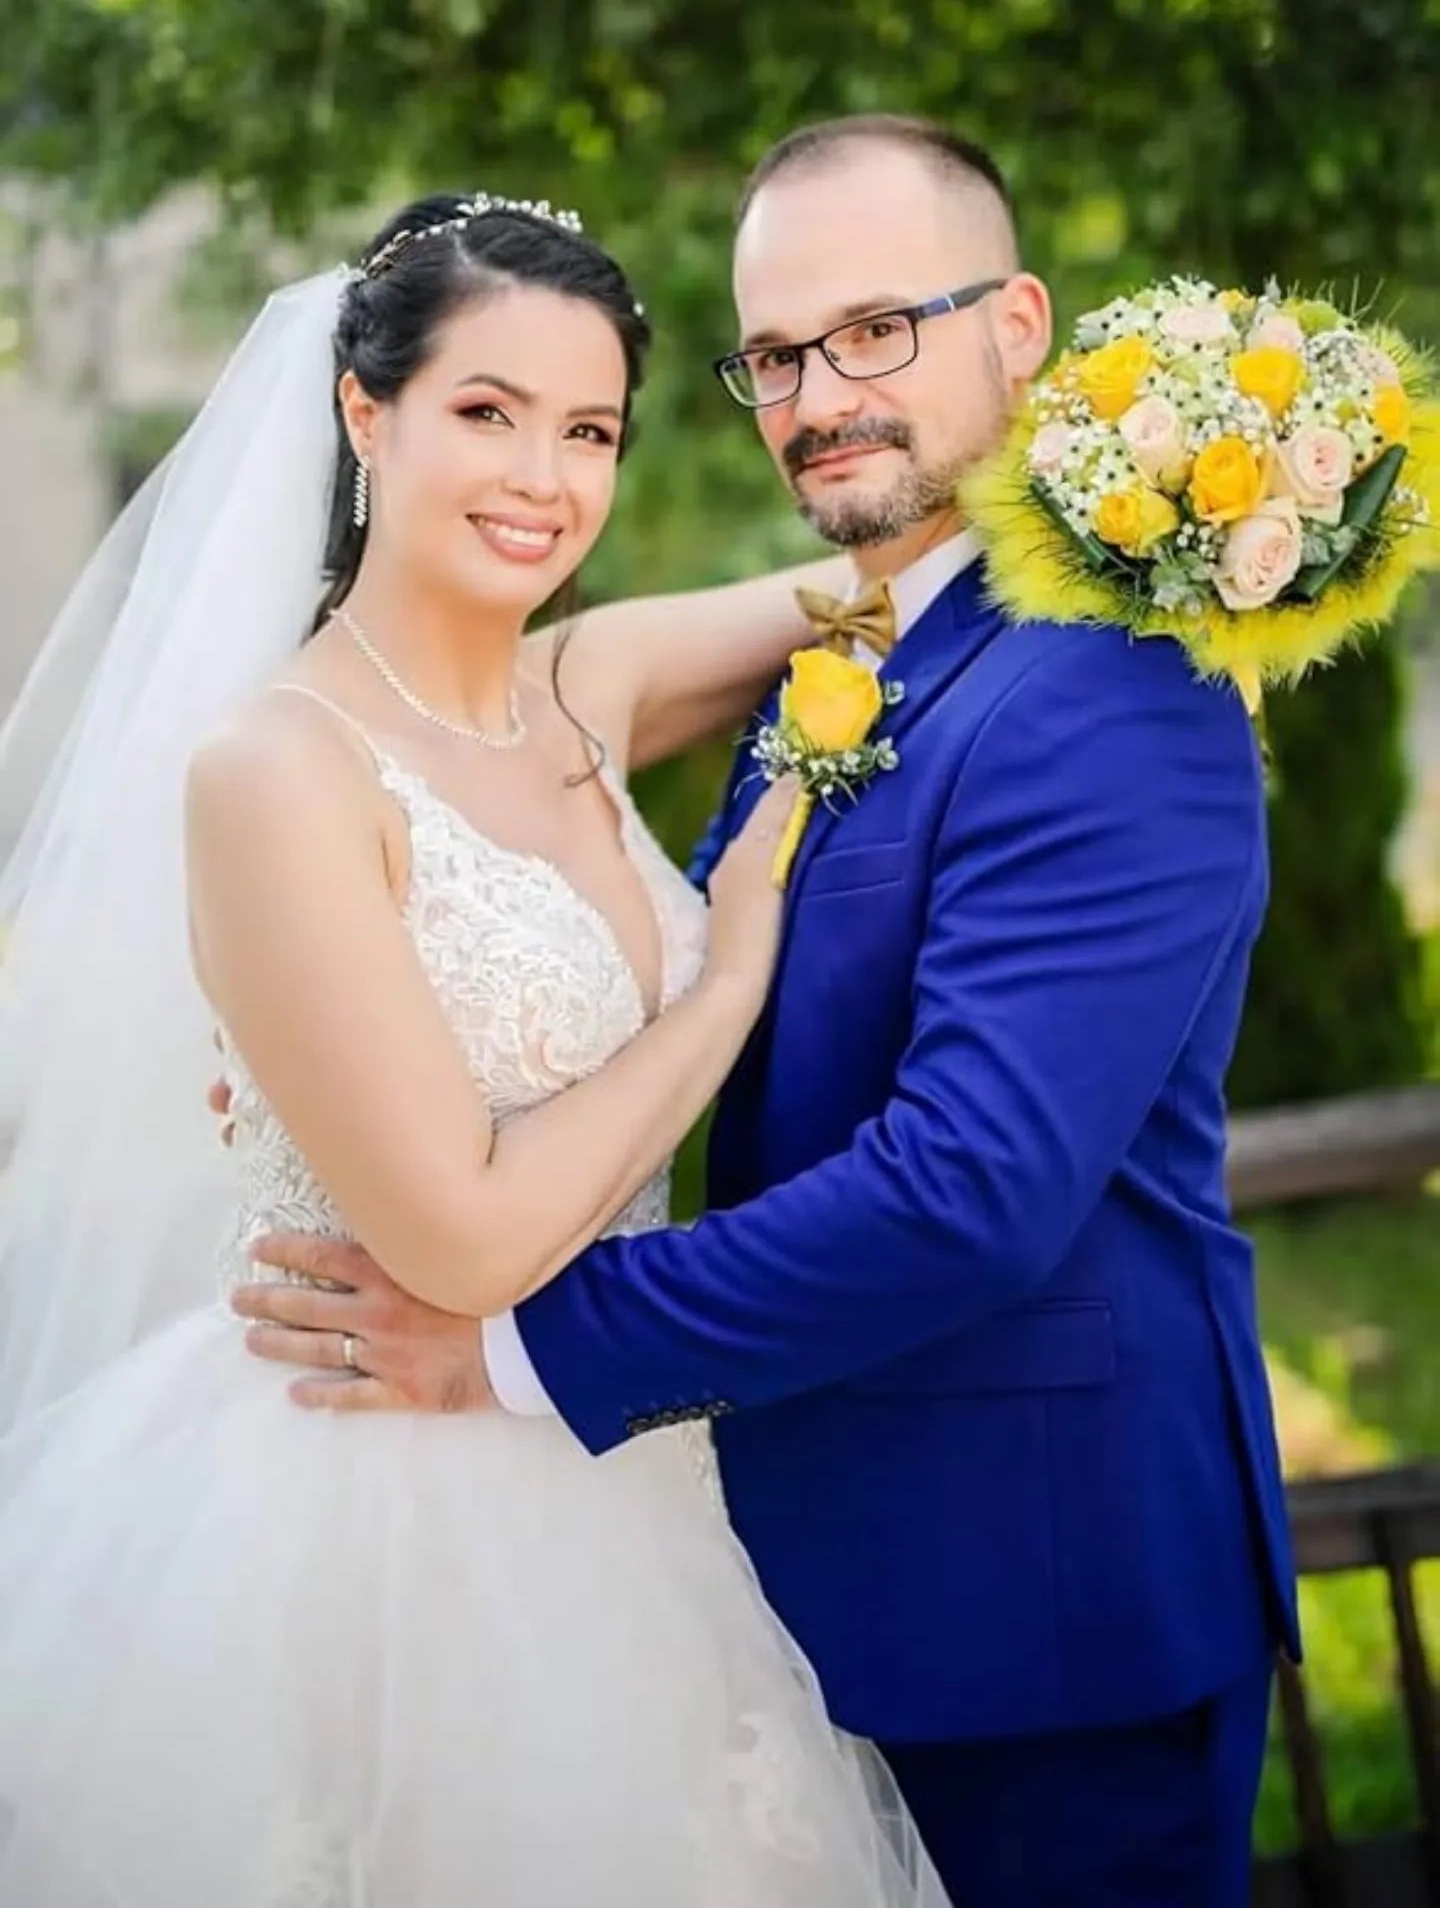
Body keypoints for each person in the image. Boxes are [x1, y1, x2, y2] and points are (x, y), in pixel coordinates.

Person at [243, 120, 1300, 1908]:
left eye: (878, 329)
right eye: (777, 358)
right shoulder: (874, 649)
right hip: (786, 1592)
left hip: (1039, 1621)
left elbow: (970, 1189)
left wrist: (505, 1349)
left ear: (1021, 325)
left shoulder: (1111, 684)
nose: (821, 394)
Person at [0, 193, 950, 1905]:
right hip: (374, 1515)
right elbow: (469, 1234)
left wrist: (1171, 479)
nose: (544, 479)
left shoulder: (588, 685)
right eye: (486, 413)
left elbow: (900, 581)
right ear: (368, 415)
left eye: (587, 430)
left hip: (634, 1484)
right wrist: (722, 987)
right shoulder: (277, 769)